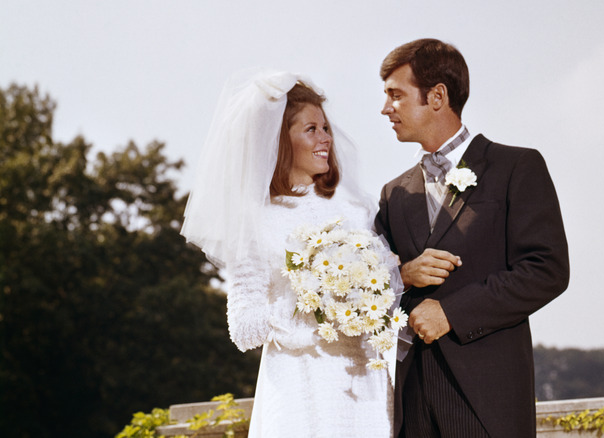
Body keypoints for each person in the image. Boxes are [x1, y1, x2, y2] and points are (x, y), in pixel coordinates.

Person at [181, 70, 394, 437]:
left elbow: (386, 292)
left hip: (364, 382)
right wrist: (314, 301)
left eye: (325, 128)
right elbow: (243, 328)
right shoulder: (257, 222)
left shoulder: (358, 210)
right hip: (299, 386)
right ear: (279, 140)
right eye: (311, 129)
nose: (325, 138)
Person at [374, 39, 570, 437]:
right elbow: (374, 281)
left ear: (437, 96)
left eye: (396, 95)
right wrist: (405, 274)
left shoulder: (517, 167)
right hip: (412, 401)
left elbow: (546, 269)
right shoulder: (394, 194)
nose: (385, 108)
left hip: (487, 399)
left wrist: (452, 313)